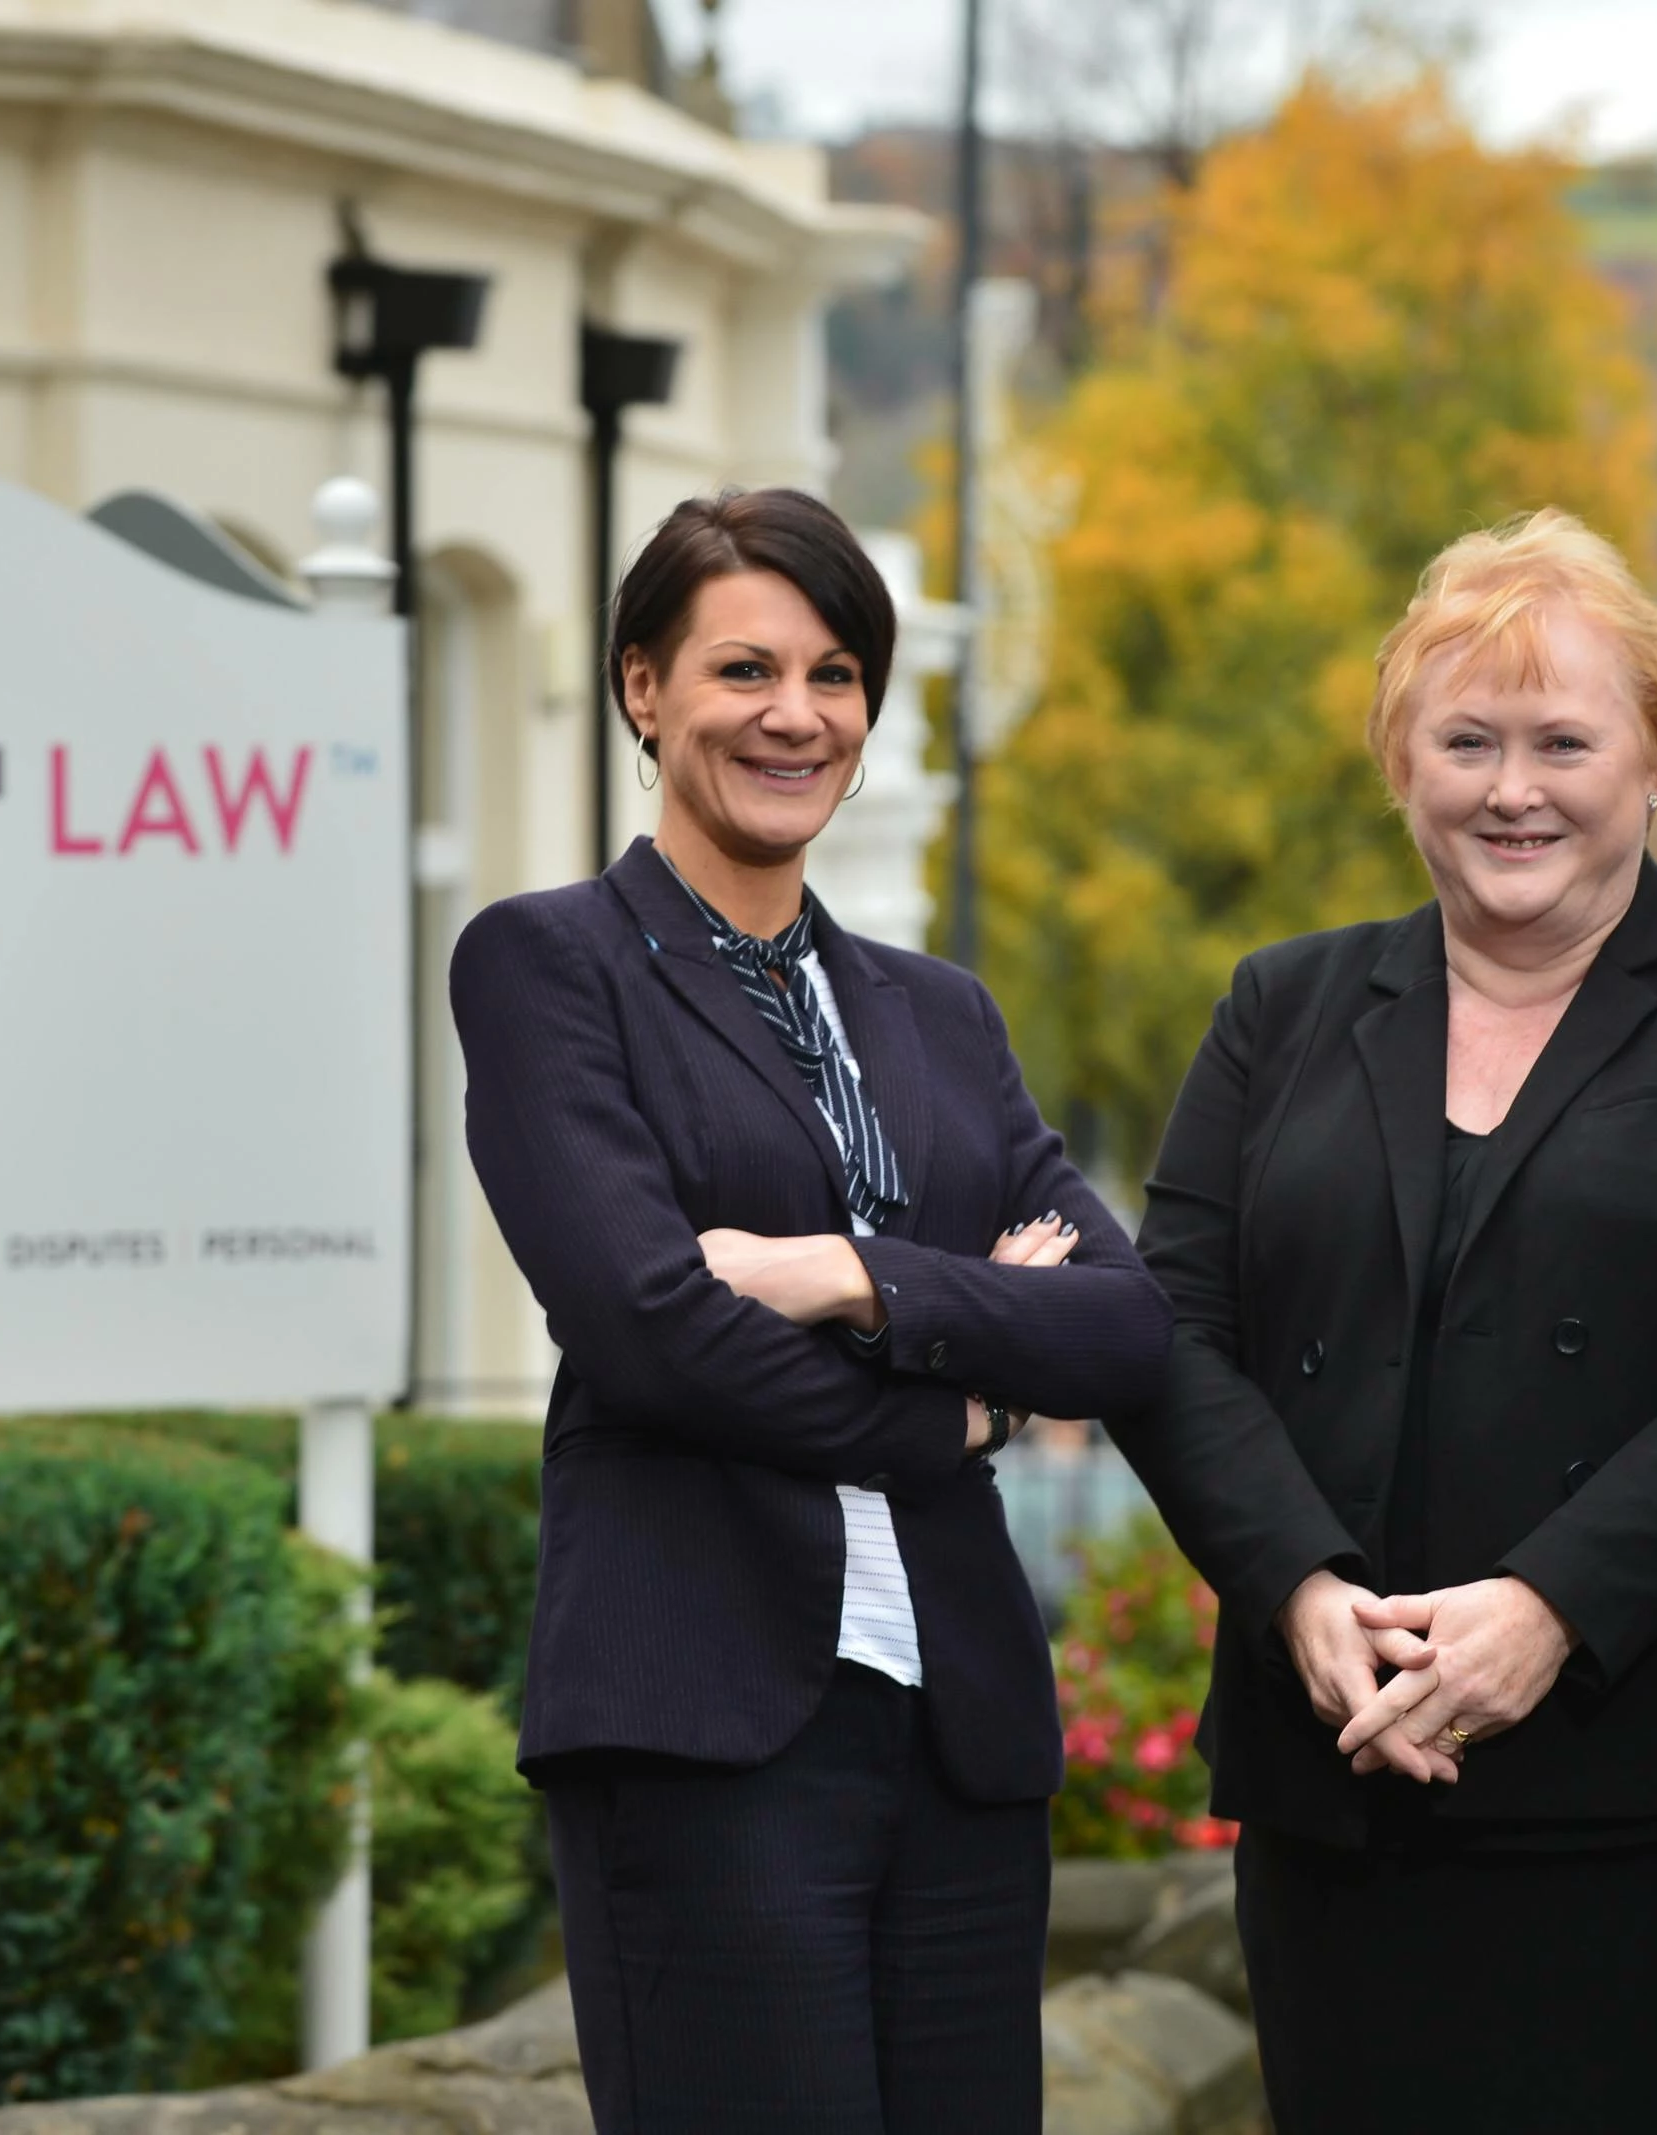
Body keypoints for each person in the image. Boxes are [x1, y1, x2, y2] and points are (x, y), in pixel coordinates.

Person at [1111, 508, 1657, 2132]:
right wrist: (1295, 1585)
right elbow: (1168, 1324)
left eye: (1565, 739)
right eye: (1465, 739)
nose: (1512, 787)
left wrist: (1551, 1604)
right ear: (1400, 763)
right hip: (1346, 1788)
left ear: (1655, 761)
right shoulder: (1283, 1006)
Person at [452, 487, 1172, 2132]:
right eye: (744, 669)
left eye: (837, 673)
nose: (796, 714)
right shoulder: (551, 967)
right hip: (704, 1725)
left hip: (959, 1732)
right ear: (644, 687)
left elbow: (1126, 1324)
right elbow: (649, 1331)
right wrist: (969, 1385)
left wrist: (849, 1276)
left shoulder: (938, 1015)